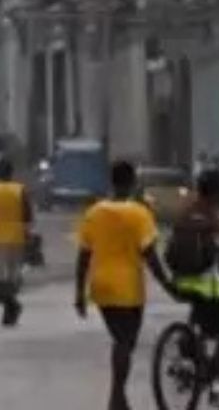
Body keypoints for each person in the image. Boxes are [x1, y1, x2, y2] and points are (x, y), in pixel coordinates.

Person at [76, 159, 175, 410]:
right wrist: (167, 284)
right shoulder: (139, 213)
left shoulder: (94, 213)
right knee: (124, 342)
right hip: (128, 289)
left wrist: (79, 293)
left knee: (122, 341)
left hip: (101, 286)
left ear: (111, 181)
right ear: (132, 182)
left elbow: (83, 255)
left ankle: (118, 398)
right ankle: (116, 398)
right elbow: (150, 254)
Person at [164, 167, 219, 367]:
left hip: (180, 282)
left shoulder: (184, 212)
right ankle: (215, 370)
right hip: (207, 285)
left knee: (201, 305)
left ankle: (191, 341)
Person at [0, 155, 35, 326]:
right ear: (12, 173)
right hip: (16, 239)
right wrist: (28, 237)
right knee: (12, 278)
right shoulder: (20, 190)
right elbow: (28, 217)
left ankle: (11, 306)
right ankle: (10, 310)